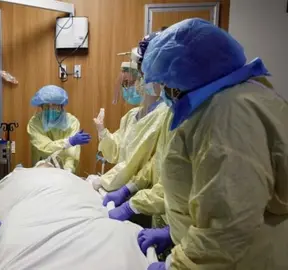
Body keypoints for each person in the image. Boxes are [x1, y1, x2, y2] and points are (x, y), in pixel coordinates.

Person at [142, 18, 288, 270]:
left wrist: (180, 265)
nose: (165, 90)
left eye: (167, 83)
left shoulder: (228, 115)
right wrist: (175, 232)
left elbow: (229, 225)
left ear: (187, 75)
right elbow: (214, 194)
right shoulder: (239, 98)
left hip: (239, 260)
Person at [94, 33, 170, 222]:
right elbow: (117, 152)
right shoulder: (131, 116)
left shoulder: (165, 114)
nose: (130, 86)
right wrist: (102, 132)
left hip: (148, 201)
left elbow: (140, 165)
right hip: (127, 193)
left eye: (135, 79)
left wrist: (104, 182)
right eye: (125, 83)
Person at [27, 85, 91, 173]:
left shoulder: (72, 122)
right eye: (47, 106)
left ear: (62, 106)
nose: (51, 109)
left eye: (54, 105)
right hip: (41, 168)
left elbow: (72, 152)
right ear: (41, 106)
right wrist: (68, 142)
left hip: (66, 169)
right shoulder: (35, 123)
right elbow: (44, 147)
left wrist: (68, 170)